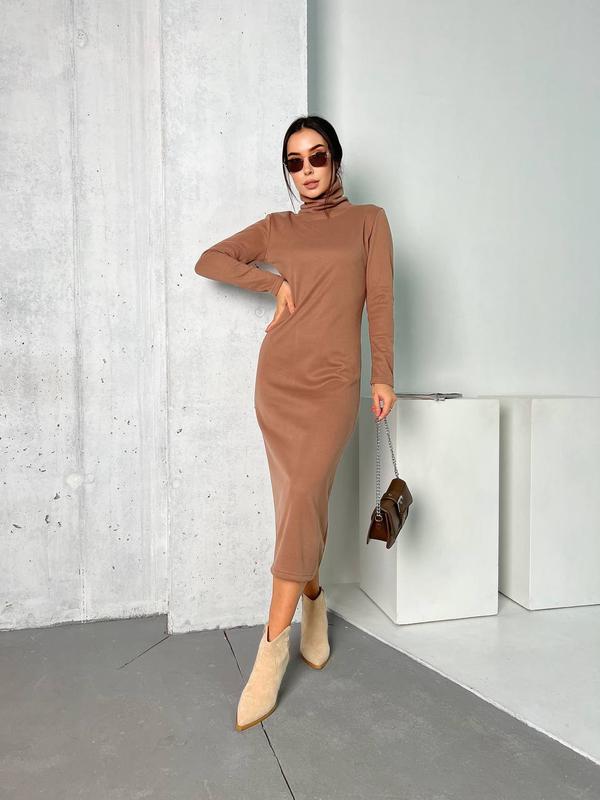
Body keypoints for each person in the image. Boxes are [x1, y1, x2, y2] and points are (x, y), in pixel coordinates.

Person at [195, 115, 396, 731]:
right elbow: (209, 260)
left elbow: (380, 299)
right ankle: (312, 598)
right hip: (278, 383)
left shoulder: (369, 221)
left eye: (317, 156)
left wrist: (382, 375)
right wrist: (271, 282)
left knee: (304, 495)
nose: (307, 170)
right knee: (296, 504)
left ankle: (269, 650)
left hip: (333, 384)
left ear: (336, 159)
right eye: (294, 162)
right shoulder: (277, 228)